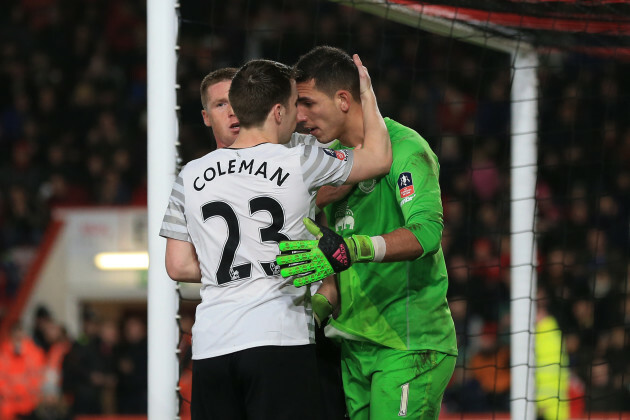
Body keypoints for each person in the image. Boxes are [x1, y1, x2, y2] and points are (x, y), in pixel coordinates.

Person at [160, 56, 391, 420]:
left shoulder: (189, 175)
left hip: (211, 346)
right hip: (278, 338)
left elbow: (177, 264)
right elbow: (378, 158)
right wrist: (366, 91)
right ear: (279, 112)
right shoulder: (300, 159)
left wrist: (238, 263)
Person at [276, 46, 458, 420]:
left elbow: (427, 233)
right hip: (354, 344)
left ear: (344, 99)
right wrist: (319, 305)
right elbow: (332, 249)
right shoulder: (335, 163)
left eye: (308, 102)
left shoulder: (406, 148)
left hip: (408, 343)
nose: (300, 116)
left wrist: (354, 248)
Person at [197, 66, 347, 419]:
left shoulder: (298, 149)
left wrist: (327, 291)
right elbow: (179, 264)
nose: (232, 110)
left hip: (305, 327)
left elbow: (345, 176)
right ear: (206, 117)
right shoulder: (198, 179)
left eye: (235, 100)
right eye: (221, 104)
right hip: (239, 336)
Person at [200, 68, 241, 149]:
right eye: (221, 105)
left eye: (240, 100)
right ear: (207, 117)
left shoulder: (273, 159)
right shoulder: (200, 162)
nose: (233, 112)